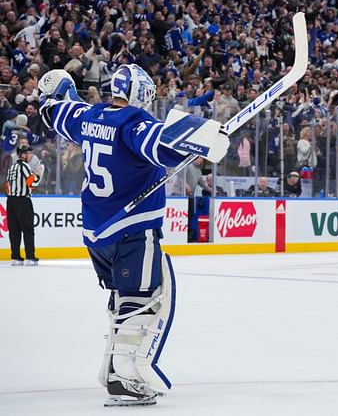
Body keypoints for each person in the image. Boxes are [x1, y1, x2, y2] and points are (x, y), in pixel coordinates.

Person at [38, 66, 228, 406]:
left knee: (124, 301)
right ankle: (125, 375)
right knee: (148, 299)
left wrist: (53, 96)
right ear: (140, 93)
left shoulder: (90, 115)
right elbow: (164, 148)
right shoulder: (133, 125)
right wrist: (204, 136)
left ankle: (112, 370)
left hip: (97, 232)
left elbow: (56, 111)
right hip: (133, 229)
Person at [5, 145, 41, 266]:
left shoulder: (12, 168)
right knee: (28, 229)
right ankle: (30, 257)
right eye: (29, 153)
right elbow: (32, 184)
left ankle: (15, 257)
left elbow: (7, 187)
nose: (31, 155)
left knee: (14, 230)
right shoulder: (25, 166)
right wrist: (39, 175)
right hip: (22, 201)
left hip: (10, 201)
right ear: (23, 155)